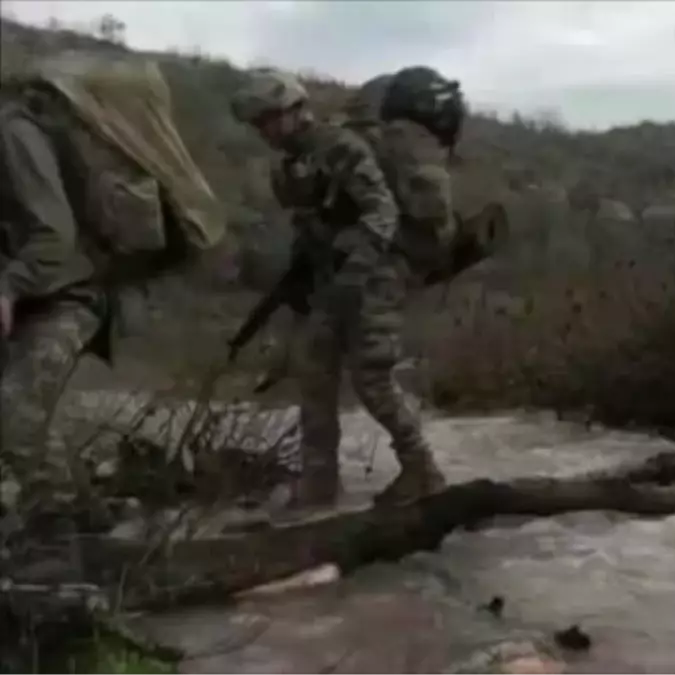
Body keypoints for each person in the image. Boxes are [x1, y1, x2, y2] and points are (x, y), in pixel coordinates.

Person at [0, 53, 226, 519]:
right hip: (37, 294)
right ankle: (86, 519)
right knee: (32, 415)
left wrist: (8, 287)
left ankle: (60, 539)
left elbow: (53, 237)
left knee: (15, 412)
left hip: (68, 293)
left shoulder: (14, 131)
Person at [229, 68, 448, 511]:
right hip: (330, 278)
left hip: (374, 274)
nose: (266, 130)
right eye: (260, 123)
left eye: (271, 118)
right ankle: (319, 482)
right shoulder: (291, 163)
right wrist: (303, 280)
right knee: (314, 375)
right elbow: (310, 223)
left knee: (372, 377)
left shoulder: (340, 147)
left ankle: (422, 469)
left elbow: (381, 213)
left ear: (295, 109)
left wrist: (353, 277)